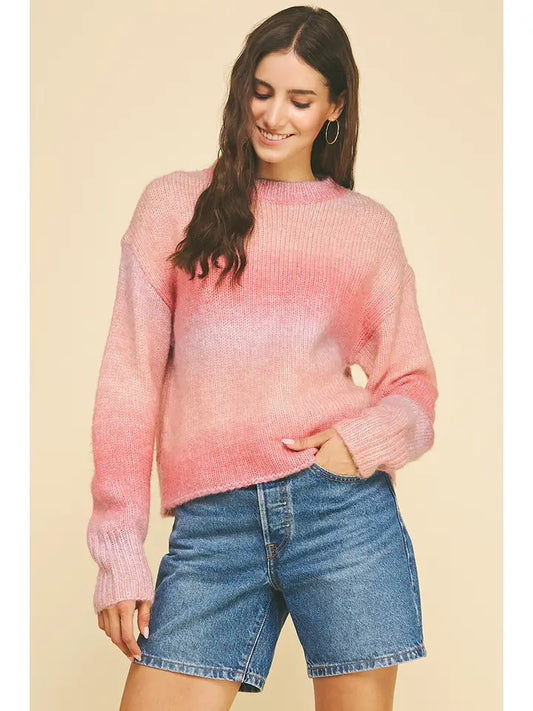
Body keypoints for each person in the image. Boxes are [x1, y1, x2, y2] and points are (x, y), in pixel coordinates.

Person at [87, 6, 439, 710]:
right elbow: (129, 381)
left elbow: (412, 385)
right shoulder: (173, 205)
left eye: (300, 100)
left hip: (341, 514)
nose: (274, 116)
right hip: (213, 528)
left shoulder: (364, 228)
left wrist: (355, 443)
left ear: (334, 107)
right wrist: (119, 552)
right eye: (261, 91)